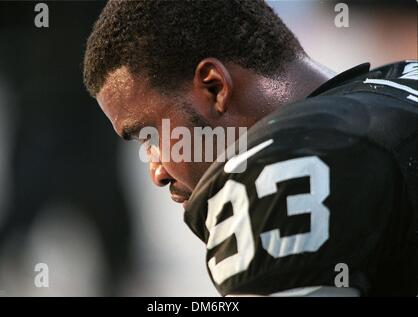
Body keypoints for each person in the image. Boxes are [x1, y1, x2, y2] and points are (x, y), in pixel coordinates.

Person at [82, 0, 418, 296]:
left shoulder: (284, 169)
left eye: (149, 137)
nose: (155, 172)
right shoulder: (401, 81)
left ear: (214, 87)